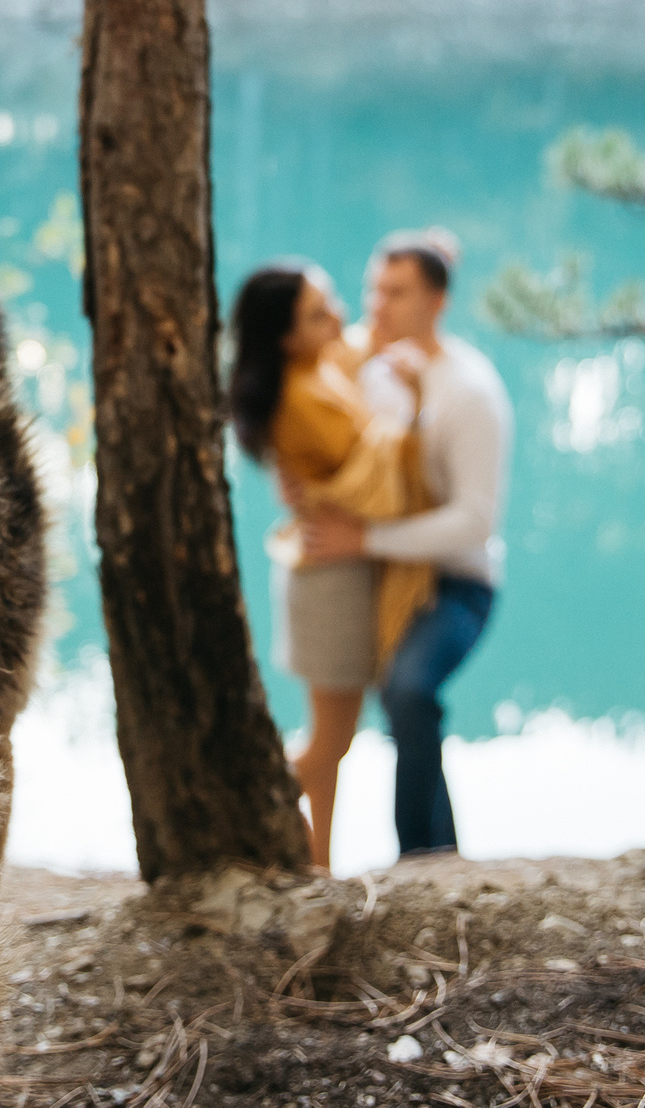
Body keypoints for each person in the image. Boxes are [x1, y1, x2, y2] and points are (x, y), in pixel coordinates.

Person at [289, 229, 511, 859]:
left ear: (436, 302)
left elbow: (474, 523)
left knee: (409, 690)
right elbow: (306, 405)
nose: (375, 306)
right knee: (334, 717)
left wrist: (364, 539)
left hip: (455, 584)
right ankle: (336, 856)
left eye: (395, 293)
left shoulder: (470, 391)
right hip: (378, 572)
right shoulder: (368, 368)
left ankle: (423, 859)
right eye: (372, 289)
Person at [225, 261, 435, 871]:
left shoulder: (311, 367)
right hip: (332, 580)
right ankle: (243, 819)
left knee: (331, 740)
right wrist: (417, 411)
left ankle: (317, 862)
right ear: (287, 337)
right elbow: (383, 483)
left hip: (322, 570)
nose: (340, 317)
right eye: (320, 313)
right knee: (331, 741)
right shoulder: (305, 398)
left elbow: (351, 350)